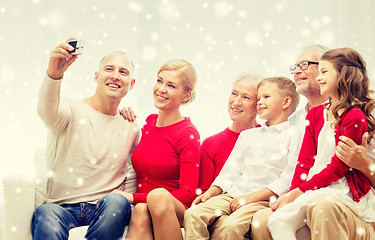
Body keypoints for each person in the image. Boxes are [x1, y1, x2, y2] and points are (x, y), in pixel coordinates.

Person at [252, 45, 375, 240]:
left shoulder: (357, 116)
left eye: (323, 71)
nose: (319, 77)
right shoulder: (312, 115)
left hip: (339, 190)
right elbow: (304, 161)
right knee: (270, 220)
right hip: (312, 186)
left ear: (343, 75)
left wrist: (367, 166)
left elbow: (338, 167)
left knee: (322, 206)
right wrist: (293, 193)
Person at [32, 39, 139, 240]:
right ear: (97, 76)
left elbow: (133, 173)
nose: (115, 76)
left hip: (105, 209)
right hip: (60, 208)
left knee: (117, 202)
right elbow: (45, 111)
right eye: (109, 69)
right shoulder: (70, 110)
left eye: (123, 72)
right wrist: (54, 74)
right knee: (45, 214)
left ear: (131, 84)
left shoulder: (130, 125)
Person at [184, 76, 301, 240]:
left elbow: (288, 178)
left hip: (261, 200)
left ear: (285, 102)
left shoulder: (295, 134)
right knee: (193, 214)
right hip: (233, 194)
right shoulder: (248, 135)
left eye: (266, 97)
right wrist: (211, 192)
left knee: (230, 227)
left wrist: (249, 198)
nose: (259, 102)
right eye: (258, 98)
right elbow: (230, 172)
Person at [119, 59, 201, 240]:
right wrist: (121, 114)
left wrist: (132, 198)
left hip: (173, 207)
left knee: (154, 198)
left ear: (186, 96)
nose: (161, 89)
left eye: (171, 85)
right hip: (144, 206)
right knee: (140, 211)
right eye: (159, 80)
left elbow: (188, 194)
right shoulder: (149, 121)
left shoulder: (188, 134)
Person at [198, 72, 261, 193]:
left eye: (246, 97)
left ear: (258, 104)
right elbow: (204, 192)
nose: (236, 102)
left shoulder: (269, 138)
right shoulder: (210, 144)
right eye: (234, 94)